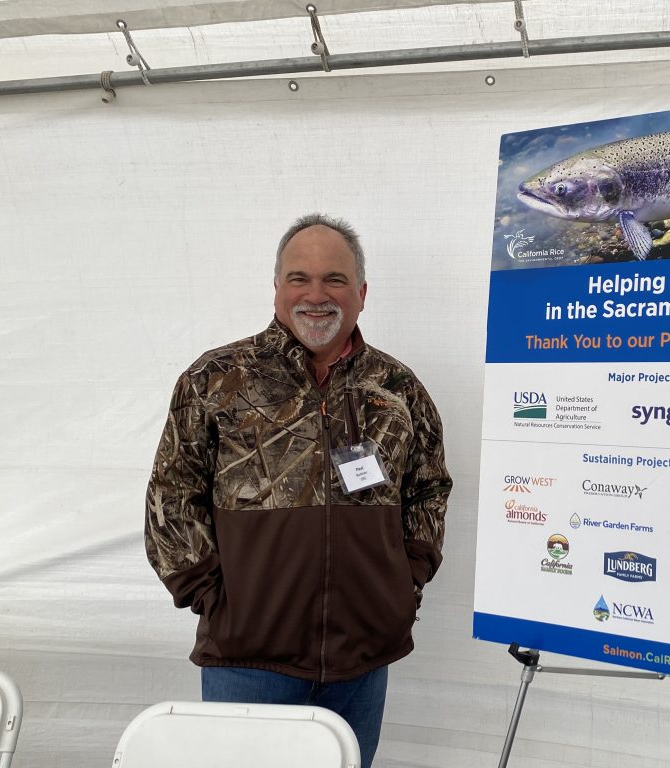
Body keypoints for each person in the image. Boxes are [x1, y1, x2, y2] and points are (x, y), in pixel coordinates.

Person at [145, 213, 452, 767]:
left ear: (361, 293)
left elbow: (429, 488)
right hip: (248, 663)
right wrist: (214, 598)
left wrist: (403, 584)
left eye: (334, 279)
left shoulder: (398, 387)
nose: (317, 295)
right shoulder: (217, 379)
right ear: (277, 288)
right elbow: (171, 493)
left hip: (362, 663)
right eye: (299, 278)